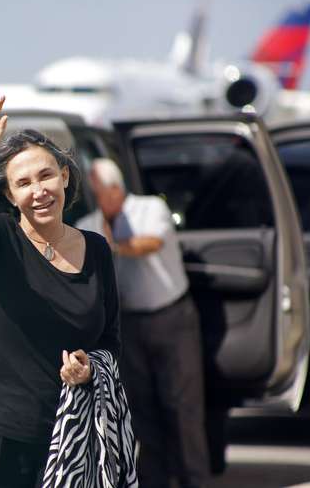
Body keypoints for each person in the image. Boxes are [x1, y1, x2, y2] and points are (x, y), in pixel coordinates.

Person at [0, 87, 123, 487]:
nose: (38, 190)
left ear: (64, 177)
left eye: (46, 175)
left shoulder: (95, 249)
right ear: (11, 195)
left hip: (68, 431)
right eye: (23, 183)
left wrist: (88, 367)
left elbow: (111, 340)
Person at [77, 158, 210, 488]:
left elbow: (152, 243)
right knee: (142, 408)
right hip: (130, 323)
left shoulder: (150, 209)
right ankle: (153, 480)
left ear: (114, 188)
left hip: (172, 316)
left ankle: (195, 480)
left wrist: (111, 247)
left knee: (183, 407)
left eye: (100, 192)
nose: (98, 201)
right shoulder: (90, 223)